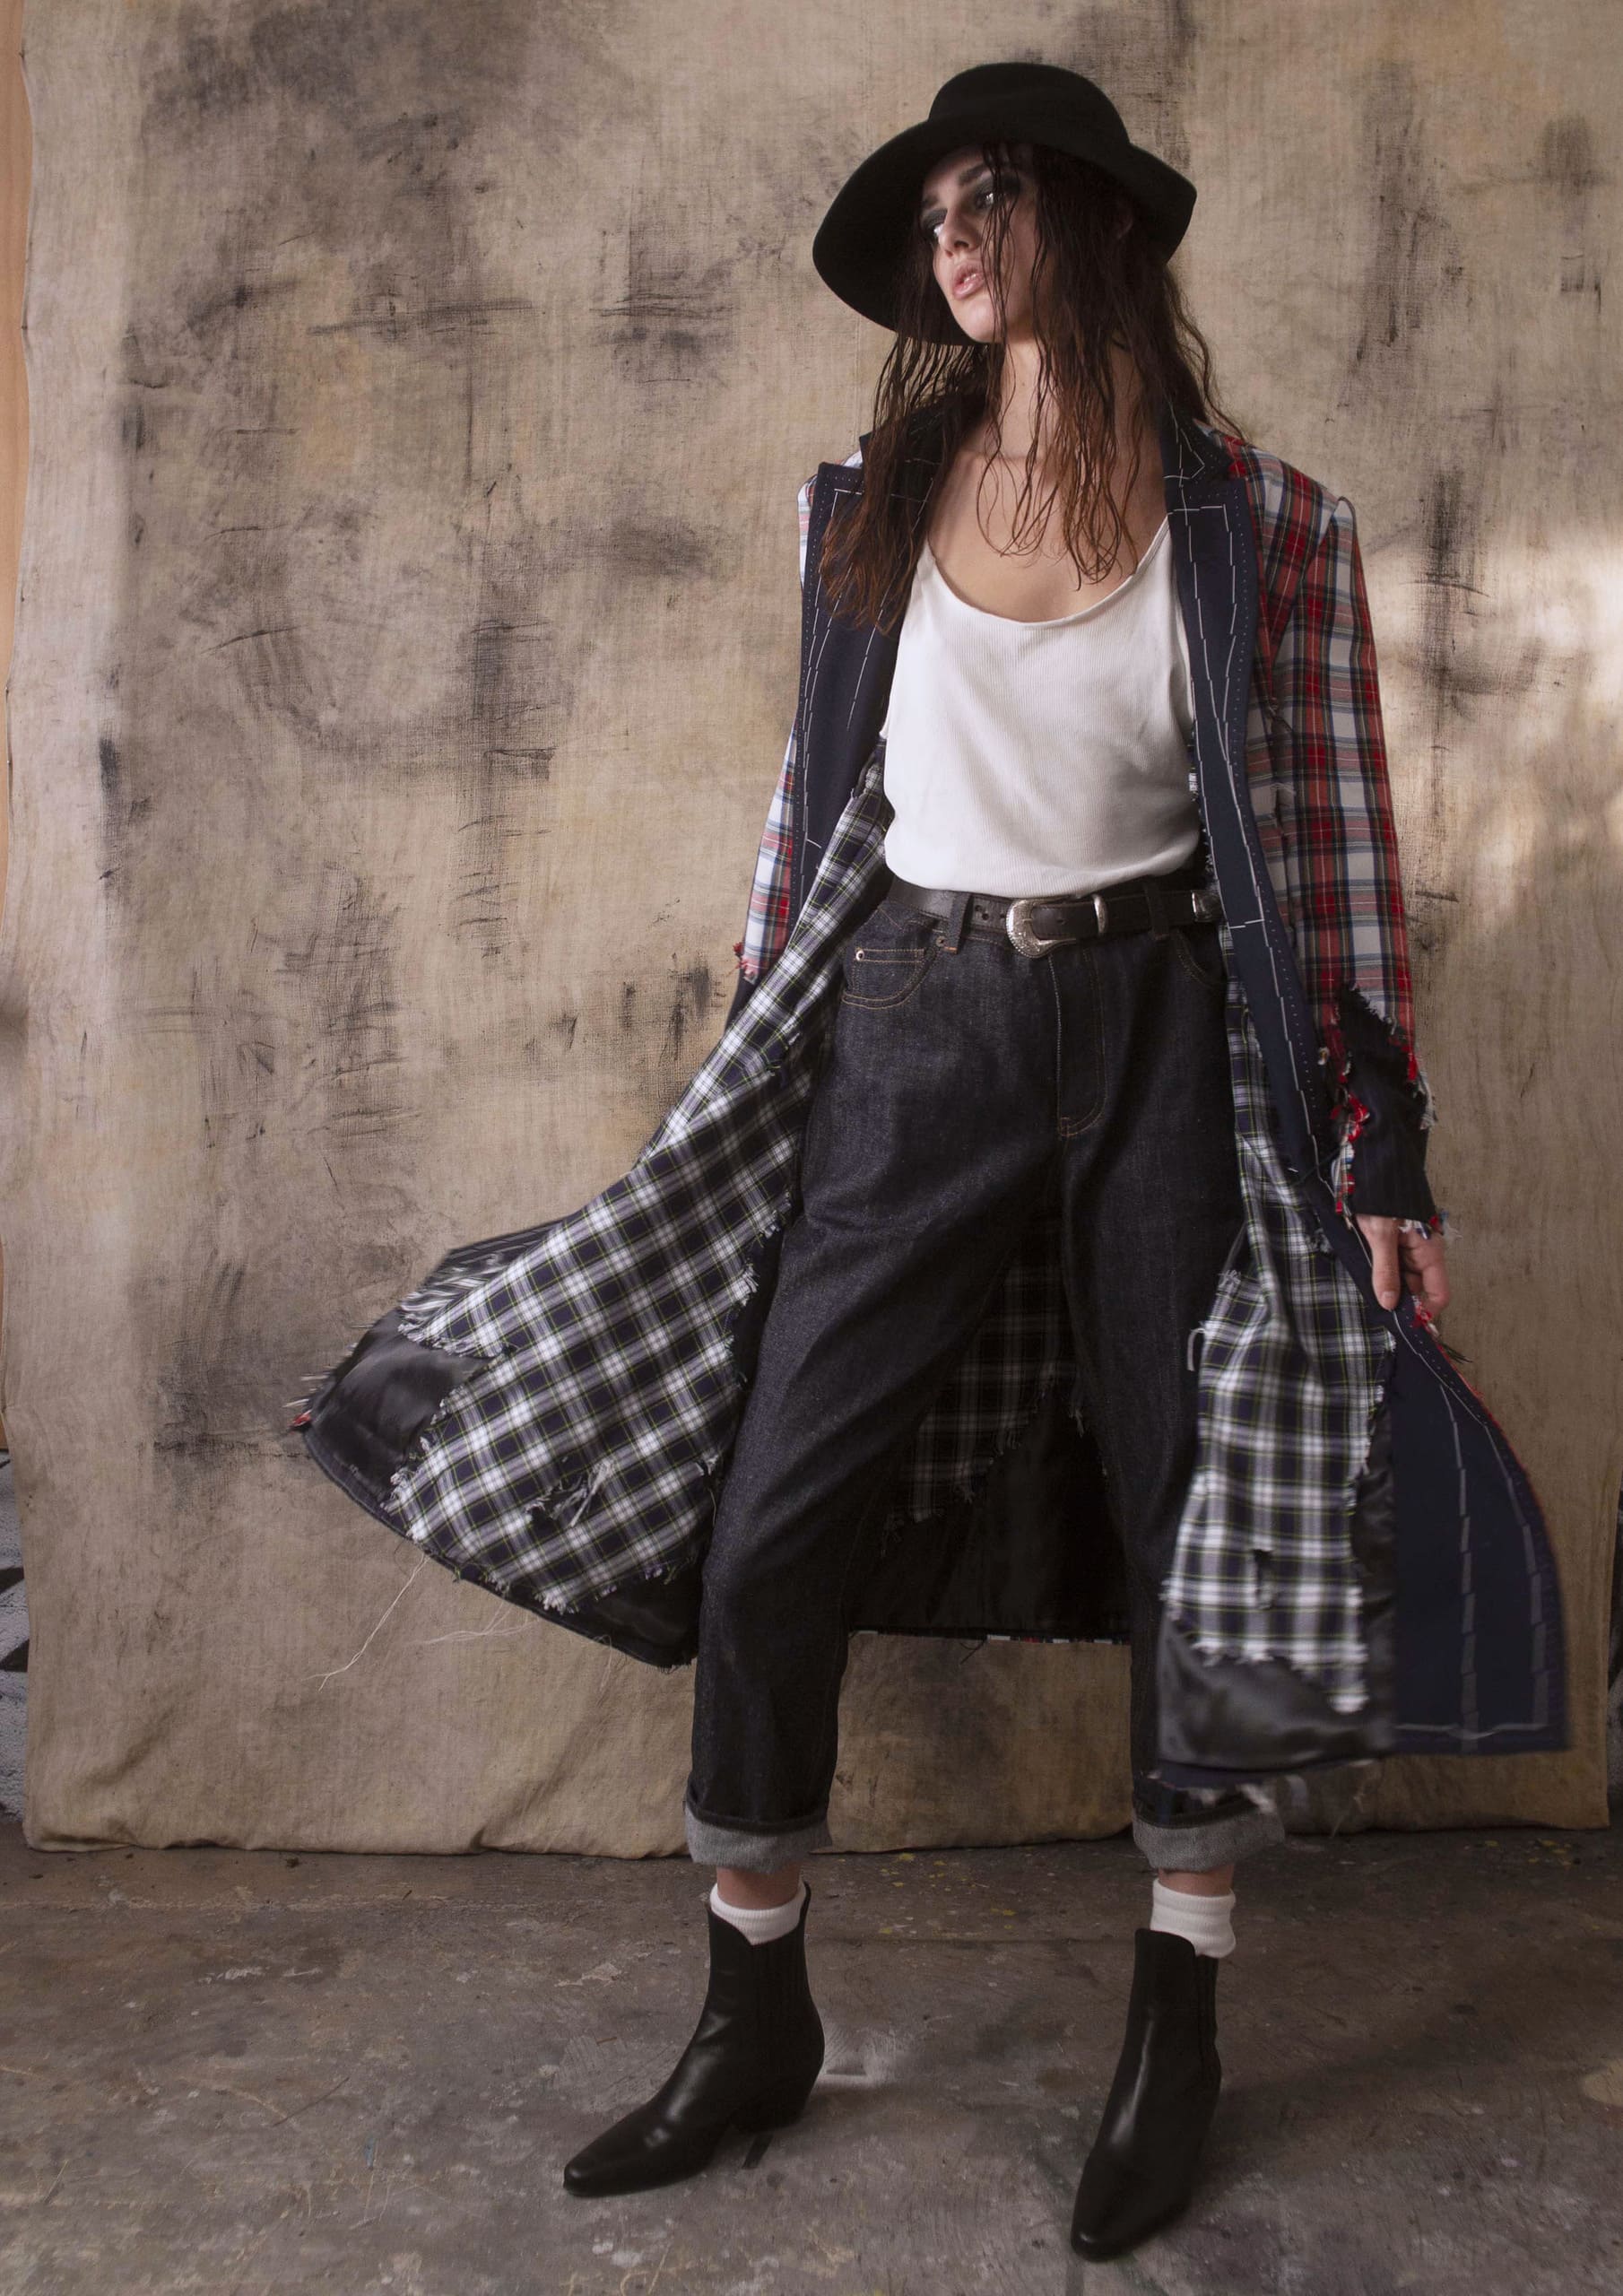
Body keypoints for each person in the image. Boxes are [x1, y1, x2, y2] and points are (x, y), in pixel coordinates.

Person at [559, 63, 1451, 2257]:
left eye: (994, 194)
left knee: (1187, 1523)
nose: (953, 234)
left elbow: (1336, 854)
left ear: (1094, 223)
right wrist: (752, 1070)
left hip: (1163, 1032)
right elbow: (810, 812)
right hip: (910, 1025)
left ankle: (1179, 2012)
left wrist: (1382, 1149)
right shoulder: (865, 502)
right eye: (935, 208)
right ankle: (749, 2006)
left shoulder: (1264, 521)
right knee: (769, 1524)